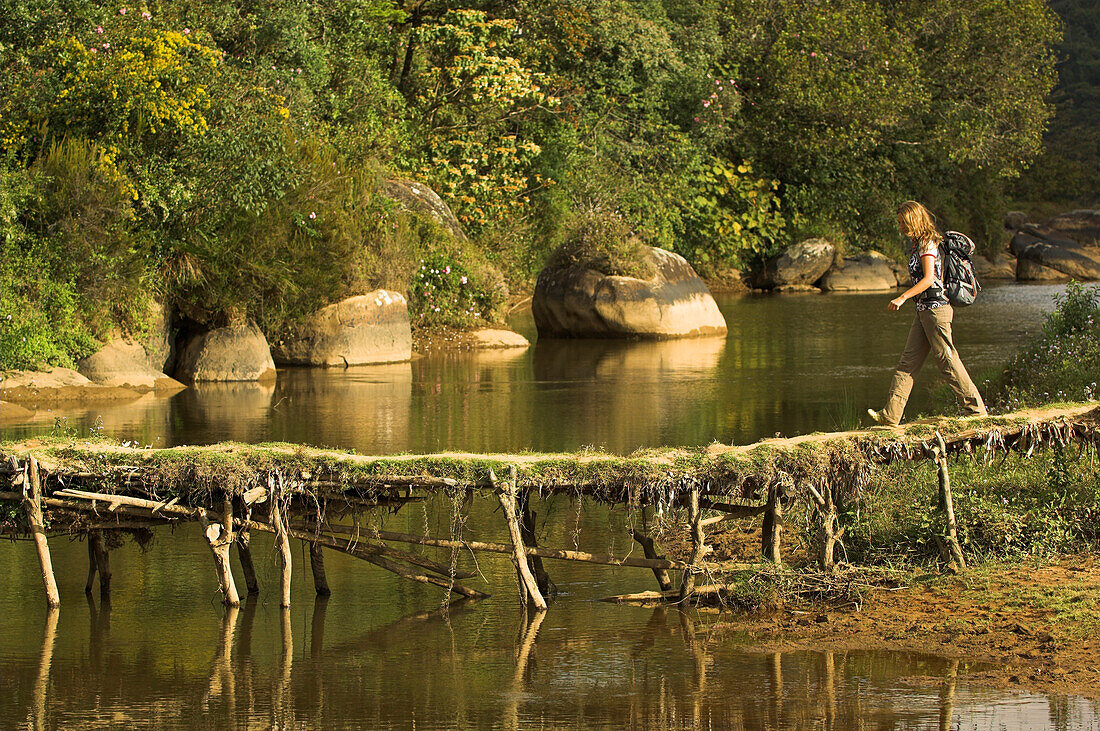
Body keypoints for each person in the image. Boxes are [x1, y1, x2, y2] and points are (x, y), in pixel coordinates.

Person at [868, 201, 986, 426]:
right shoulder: (918, 244)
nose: (901, 226)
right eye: (899, 222)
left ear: (914, 220)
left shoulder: (927, 243)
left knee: (946, 360)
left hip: (936, 310)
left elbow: (929, 278)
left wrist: (902, 297)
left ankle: (977, 411)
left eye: (903, 222)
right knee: (908, 362)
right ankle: (891, 415)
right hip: (923, 311)